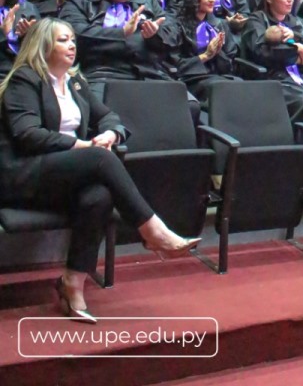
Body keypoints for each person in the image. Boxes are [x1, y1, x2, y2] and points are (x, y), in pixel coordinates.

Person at [0, 19, 200, 323]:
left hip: (57, 175)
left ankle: (73, 284)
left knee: (99, 195)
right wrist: (82, 146)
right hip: (22, 175)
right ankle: (153, 231)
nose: (71, 45)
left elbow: (109, 117)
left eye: (72, 40)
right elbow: (28, 135)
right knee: (100, 160)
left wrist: (111, 134)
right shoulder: (25, 81)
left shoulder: (76, 82)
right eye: (62, 40)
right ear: (42, 45)